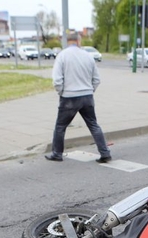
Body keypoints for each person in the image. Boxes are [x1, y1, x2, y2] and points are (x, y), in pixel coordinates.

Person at [45, 33, 112, 163]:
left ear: (68, 41)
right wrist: (89, 90)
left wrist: (61, 92)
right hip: (87, 96)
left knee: (60, 126)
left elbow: (57, 80)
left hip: (69, 97)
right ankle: (105, 153)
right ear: (78, 41)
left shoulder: (62, 56)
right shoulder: (88, 56)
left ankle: (57, 153)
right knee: (93, 125)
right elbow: (97, 79)